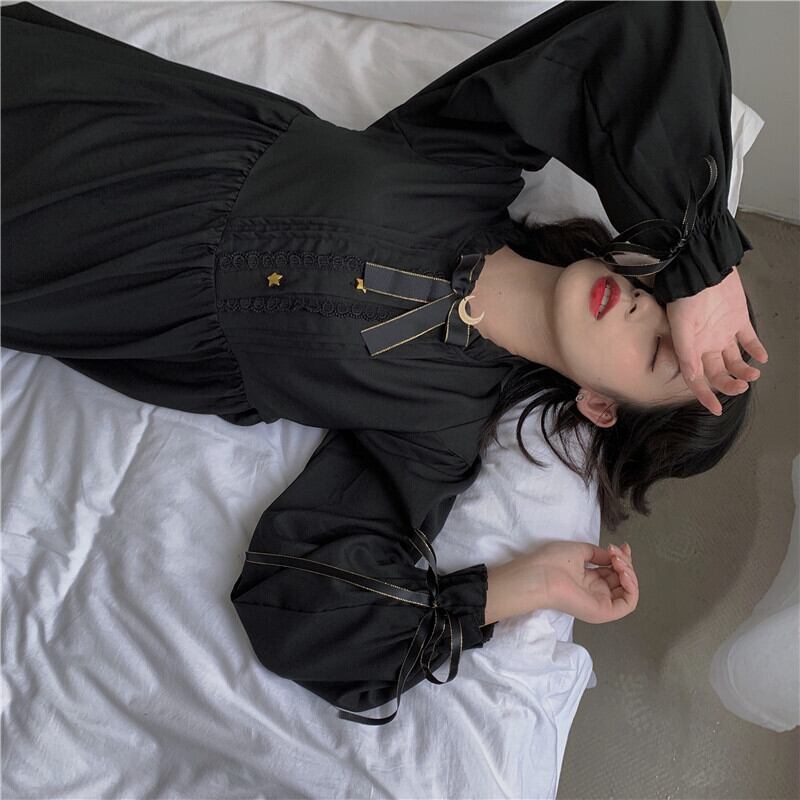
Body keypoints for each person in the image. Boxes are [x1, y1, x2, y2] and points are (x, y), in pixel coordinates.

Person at [0, 1, 768, 726]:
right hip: (73, 102)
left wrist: (526, 584)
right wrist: (703, 270)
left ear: (601, 406)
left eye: (659, 349)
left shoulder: (436, 435)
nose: (640, 305)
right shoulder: (464, 162)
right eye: (661, 294)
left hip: (66, 267)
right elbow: (647, 19)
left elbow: (300, 610)